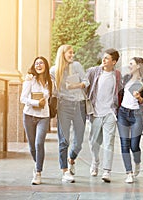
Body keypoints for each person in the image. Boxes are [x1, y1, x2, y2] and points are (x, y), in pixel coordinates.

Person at [50, 44, 89, 183]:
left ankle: (71, 158)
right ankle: (65, 171)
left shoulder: (77, 66)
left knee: (78, 142)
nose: (72, 55)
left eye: (73, 52)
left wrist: (75, 86)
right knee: (64, 140)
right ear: (63, 54)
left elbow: (86, 81)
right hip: (63, 105)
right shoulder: (54, 70)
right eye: (70, 53)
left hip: (79, 105)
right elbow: (47, 85)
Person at [86, 48, 122, 183]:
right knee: (94, 142)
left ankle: (107, 170)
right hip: (95, 112)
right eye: (104, 57)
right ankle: (95, 162)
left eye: (107, 58)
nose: (104, 59)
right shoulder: (94, 72)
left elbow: (121, 91)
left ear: (114, 62)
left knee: (109, 142)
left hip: (110, 113)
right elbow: (83, 82)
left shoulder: (117, 75)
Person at [117, 57, 143, 183]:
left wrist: (139, 98)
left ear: (138, 66)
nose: (129, 66)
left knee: (134, 145)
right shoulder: (126, 78)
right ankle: (129, 172)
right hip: (123, 113)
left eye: (131, 64)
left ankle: (137, 162)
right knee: (124, 143)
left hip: (137, 114)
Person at [20, 56, 53, 185]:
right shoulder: (29, 80)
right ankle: (37, 163)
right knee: (32, 146)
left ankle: (38, 172)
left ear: (45, 66)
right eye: (36, 63)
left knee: (39, 143)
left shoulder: (50, 82)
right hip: (28, 115)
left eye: (41, 63)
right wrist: (35, 102)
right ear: (34, 66)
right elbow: (22, 98)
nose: (39, 65)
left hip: (43, 117)